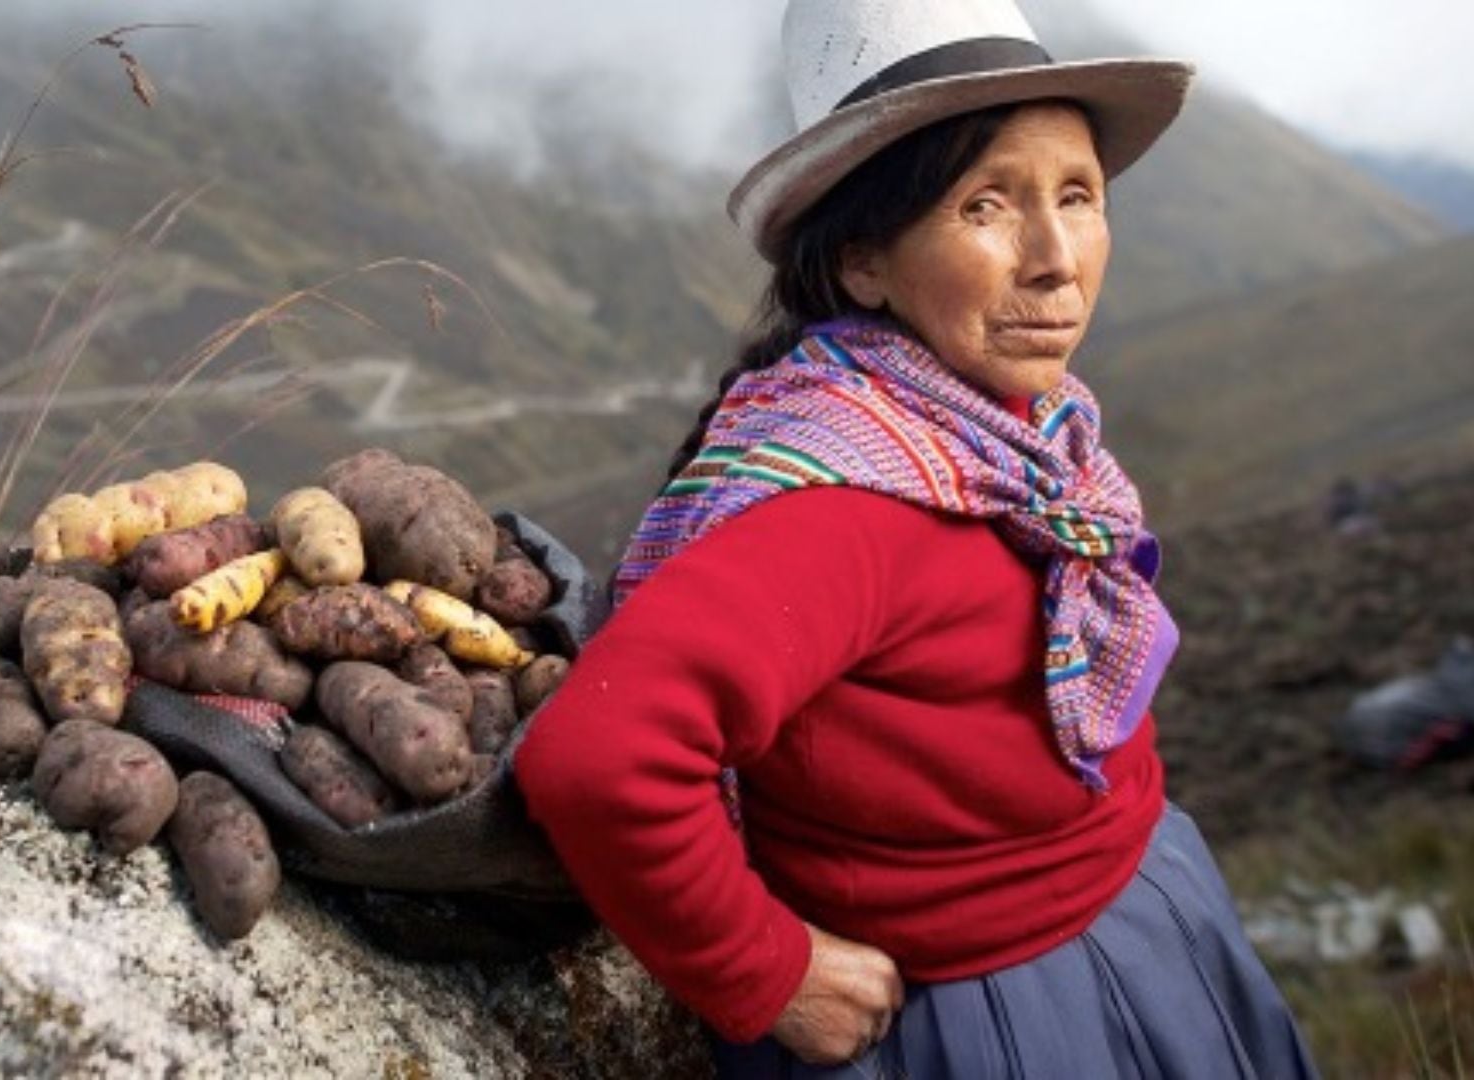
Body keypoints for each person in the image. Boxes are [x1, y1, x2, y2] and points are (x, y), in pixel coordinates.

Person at [512, 1, 1320, 1076]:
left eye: (1077, 197)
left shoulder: (1014, 434)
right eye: (985, 205)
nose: (1056, 259)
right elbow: (599, 757)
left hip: (1147, 916)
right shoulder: (846, 502)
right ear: (863, 266)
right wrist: (769, 971)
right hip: (1000, 1020)